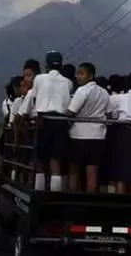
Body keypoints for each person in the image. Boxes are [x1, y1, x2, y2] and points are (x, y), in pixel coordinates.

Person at [32, 51, 72, 191]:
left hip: (44, 120)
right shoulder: (68, 82)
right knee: (56, 161)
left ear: (46, 64)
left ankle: (39, 194)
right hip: (61, 122)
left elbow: (35, 99)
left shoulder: (39, 79)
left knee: (41, 161)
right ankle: (55, 195)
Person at [66, 62, 109, 193]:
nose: (78, 76)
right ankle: (90, 200)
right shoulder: (104, 92)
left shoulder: (82, 91)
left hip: (79, 135)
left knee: (74, 169)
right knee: (92, 169)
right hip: (98, 136)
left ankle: (72, 197)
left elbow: (71, 112)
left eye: (81, 74)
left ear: (90, 76)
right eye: (77, 73)